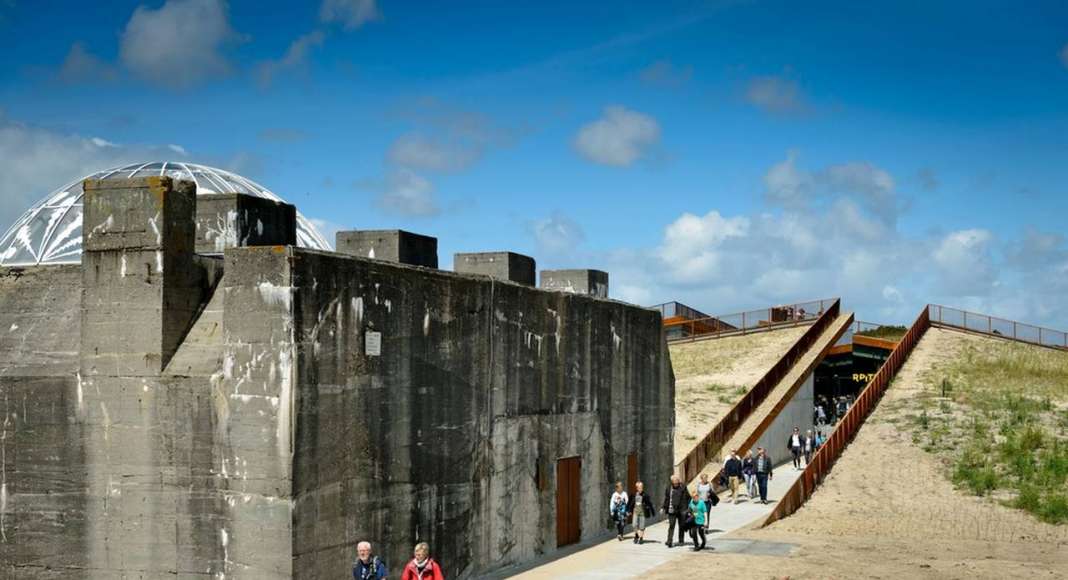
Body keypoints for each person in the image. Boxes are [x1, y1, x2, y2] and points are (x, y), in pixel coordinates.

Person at [661, 474, 689, 548]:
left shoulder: (683, 487)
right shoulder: (669, 488)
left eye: (677, 482)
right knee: (671, 525)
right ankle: (669, 540)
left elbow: (688, 498)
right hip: (671, 510)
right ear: (672, 482)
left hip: (681, 510)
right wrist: (663, 507)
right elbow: (667, 499)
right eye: (674, 482)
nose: (676, 484)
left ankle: (681, 540)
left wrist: (686, 509)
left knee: (681, 525)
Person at [627, 480, 655, 544]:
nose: (640, 488)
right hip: (635, 511)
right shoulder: (633, 495)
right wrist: (628, 510)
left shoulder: (645, 495)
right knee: (634, 525)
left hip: (642, 512)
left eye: (641, 487)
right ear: (636, 488)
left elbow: (650, 503)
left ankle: (641, 538)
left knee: (642, 526)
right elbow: (629, 503)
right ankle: (636, 535)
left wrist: (652, 511)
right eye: (639, 487)